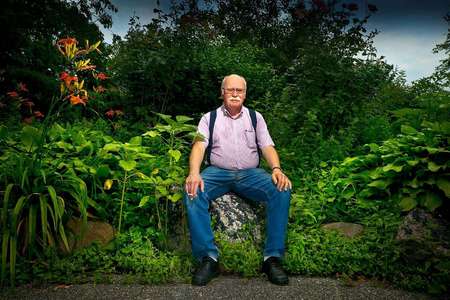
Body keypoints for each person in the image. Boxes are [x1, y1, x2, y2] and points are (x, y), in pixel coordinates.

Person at [184, 74, 292, 286]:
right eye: (230, 90)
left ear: (244, 94)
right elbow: (198, 145)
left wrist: (277, 169)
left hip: (250, 174)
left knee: (281, 189)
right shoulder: (209, 118)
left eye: (239, 90)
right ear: (222, 92)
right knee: (193, 190)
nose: (235, 94)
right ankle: (208, 258)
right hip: (218, 172)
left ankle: (272, 258)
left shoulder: (255, 117)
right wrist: (194, 172)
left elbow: (267, 146)